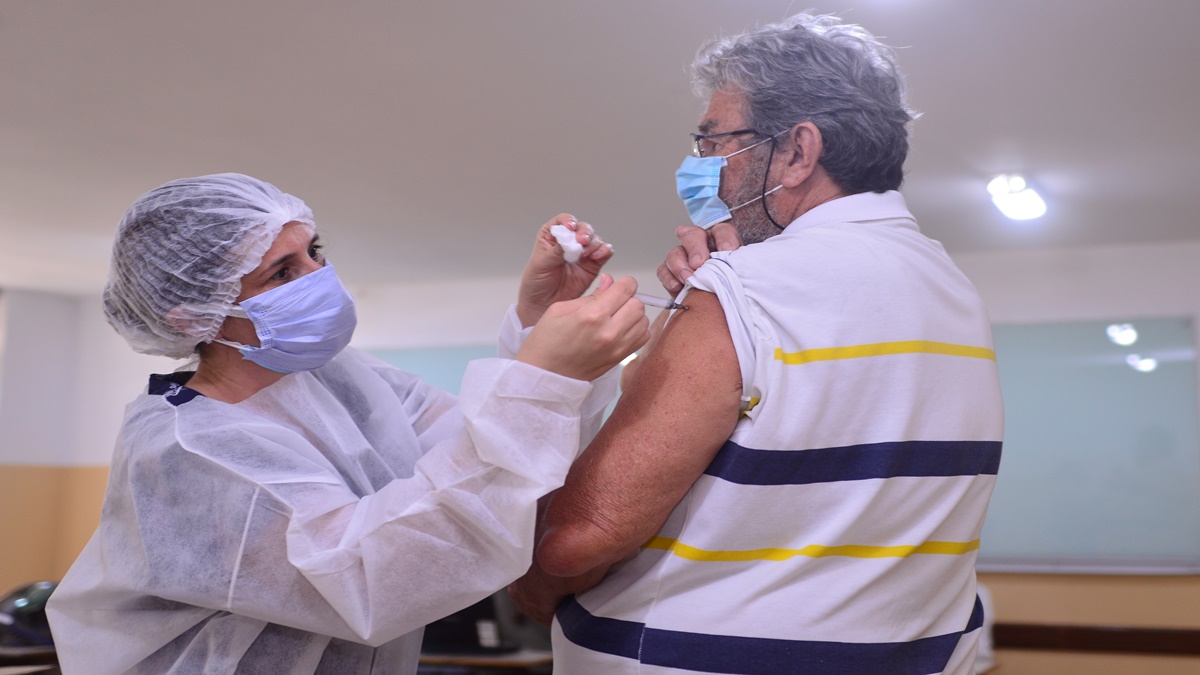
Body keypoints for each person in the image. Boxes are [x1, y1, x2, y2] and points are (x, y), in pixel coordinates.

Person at [510, 13, 1004, 674]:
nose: (701, 166)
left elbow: (576, 541)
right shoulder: (953, 290)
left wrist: (528, 586)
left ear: (798, 152)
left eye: (714, 140)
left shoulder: (743, 288)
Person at [45, 173, 650, 674]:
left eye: (315, 251)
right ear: (191, 318)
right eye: (281, 273)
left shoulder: (341, 383)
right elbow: (371, 579)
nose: (319, 276)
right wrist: (540, 379)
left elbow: (493, 458)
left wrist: (540, 326)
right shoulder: (189, 451)